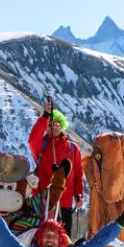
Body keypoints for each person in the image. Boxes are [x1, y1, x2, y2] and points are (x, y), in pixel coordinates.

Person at [28, 98, 84, 234]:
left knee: (64, 238)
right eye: (51, 123)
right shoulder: (41, 145)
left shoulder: (73, 148)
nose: (55, 126)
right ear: (46, 126)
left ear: (62, 126)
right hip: (43, 200)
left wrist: (78, 194)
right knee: (40, 236)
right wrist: (45, 116)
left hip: (65, 202)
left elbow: (78, 174)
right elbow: (32, 139)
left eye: (58, 123)